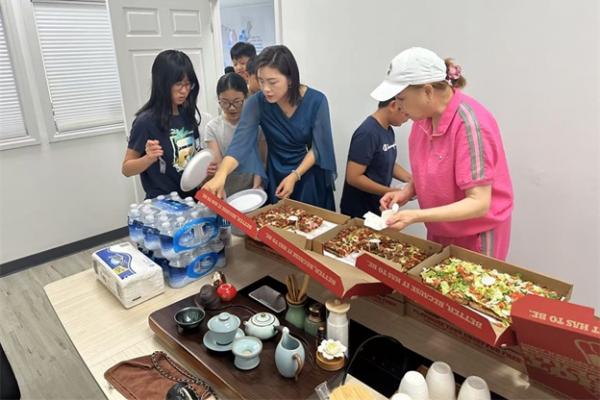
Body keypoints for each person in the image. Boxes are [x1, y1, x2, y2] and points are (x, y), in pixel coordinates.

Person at [374, 47, 513, 260]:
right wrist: (407, 191)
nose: (399, 107)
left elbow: (479, 202)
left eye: (401, 99)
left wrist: (415, 216)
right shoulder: (422, 120)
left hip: (475, 233)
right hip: (441, 227)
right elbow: (430, 169)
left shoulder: (470, 125)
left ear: (428, 92)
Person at [202, 45, 337, 210]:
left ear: (290, 79)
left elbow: (318, 147)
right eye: (261, 81)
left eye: (272, 82)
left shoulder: (316, 101)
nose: (265, 89)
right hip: (276, 170)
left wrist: (295, 175)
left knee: (308, 220)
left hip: (306, 173)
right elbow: (240, 144)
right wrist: (221, 175)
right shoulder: (257, 103)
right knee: (277, 219)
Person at [122, 50, 204, 199]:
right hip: (164, 203)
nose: (184, 91)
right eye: (178, 84)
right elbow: (126, 169)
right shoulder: (145, 121)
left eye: (188, 84)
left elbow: (194, 153)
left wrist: (204, 164)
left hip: (191, 199)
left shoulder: (187, 114)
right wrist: (148, 159)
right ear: (162, 84)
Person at [340, 98, 412, 218]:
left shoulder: (388, 130)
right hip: (361, 209)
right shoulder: (367, 133)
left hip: (377, 204)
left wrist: (411, 180)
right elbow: (353, 177)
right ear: (393, 105)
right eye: (406, 114)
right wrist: (391, 191)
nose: (408, 119)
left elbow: (386, 161)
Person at [205, 73, 261, 195]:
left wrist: (257, 185)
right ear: (219, 100)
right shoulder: (212, 128)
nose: (231, 108)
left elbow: (261, 159)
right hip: (226, 190)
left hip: (252, 190)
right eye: (225, 102)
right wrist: (221, 193)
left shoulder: (255, 124)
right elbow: (218, 166)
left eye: (237, 102)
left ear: (246, 97)